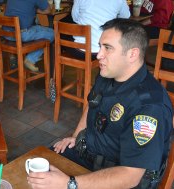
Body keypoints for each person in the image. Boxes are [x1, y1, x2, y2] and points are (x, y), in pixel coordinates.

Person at [27, 18, 173, 189]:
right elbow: (92, 103)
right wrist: (75, 137)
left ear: (132, 54)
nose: (99, 54)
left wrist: (70, 183)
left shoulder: (149, 107)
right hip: (90, 155)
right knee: (39, 170)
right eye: (100, 46)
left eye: (107, 48)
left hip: (120, 177)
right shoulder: (108, 74)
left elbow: (131, 175)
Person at [60, 0, 130, 59]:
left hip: (79, 50)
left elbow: (75, 17)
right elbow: (125, 17)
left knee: (61, 34)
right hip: (105, 50)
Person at [4, 0, 55, 72]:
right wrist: (35, 9)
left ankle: (16, 56)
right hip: (22, 34)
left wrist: (32, 9)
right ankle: (30, 59)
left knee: (47, 30)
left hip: (7, 33)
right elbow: (48, 10)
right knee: (53, 34)